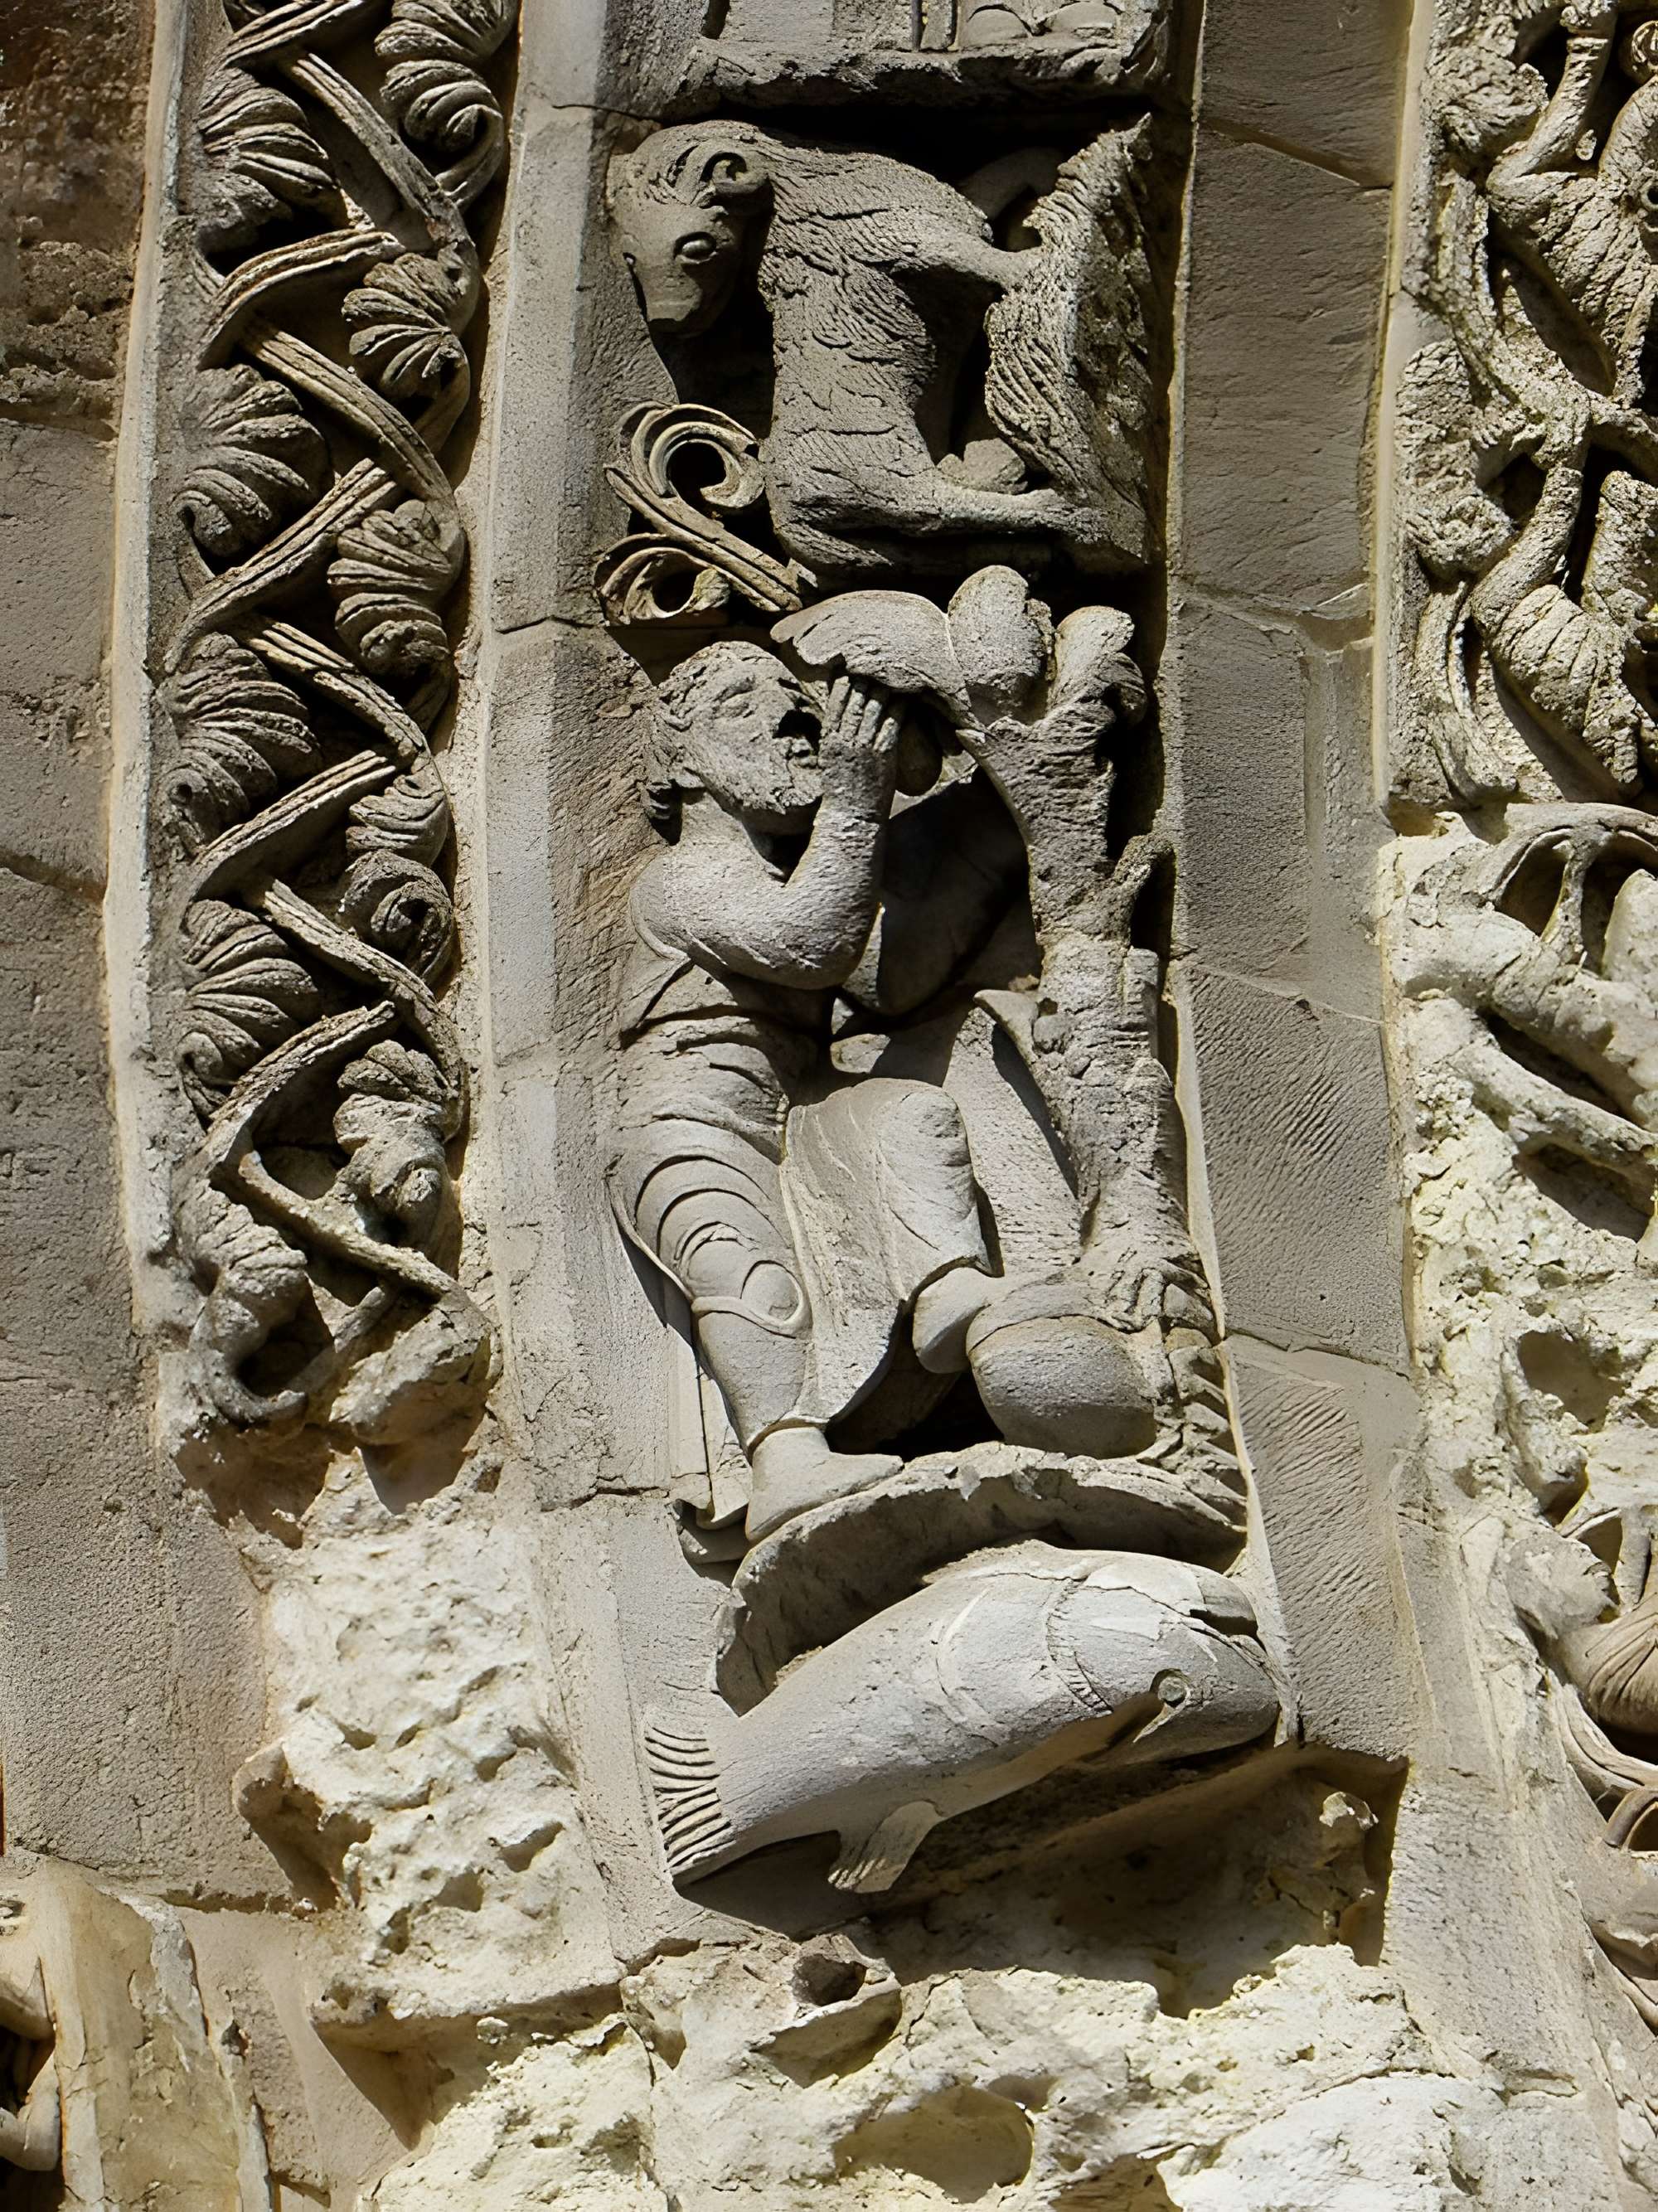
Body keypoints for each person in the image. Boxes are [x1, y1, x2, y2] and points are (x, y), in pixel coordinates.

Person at [608, 640, 1003, 1543]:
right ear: (683, 764)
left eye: (794, 697)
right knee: (744, 1269)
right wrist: (858, 802)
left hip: (797, 1104)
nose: (786, 714)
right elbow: (810, 944)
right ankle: (785, 1457)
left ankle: (946, 1293)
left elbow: (887, 981)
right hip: (686, 1118)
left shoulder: (798, 870)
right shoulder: (681, 879)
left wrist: (996, 814)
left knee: (909, 1114)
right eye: (739, 705)